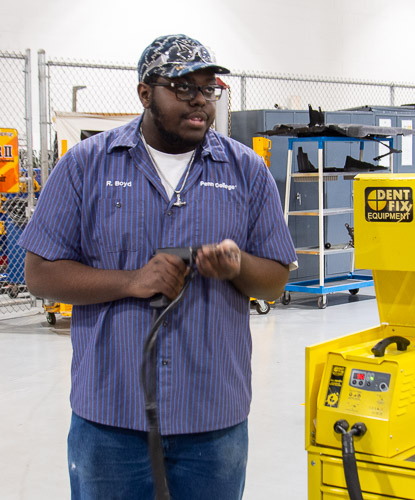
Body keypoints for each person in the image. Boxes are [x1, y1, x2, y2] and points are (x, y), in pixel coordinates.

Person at [19, 34, 297, 500]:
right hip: (111, 416)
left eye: (209, 89)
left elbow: (275, 281)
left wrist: (237, 265)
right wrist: (131, 281)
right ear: (145, 93)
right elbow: (40, 272)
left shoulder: (246, 171)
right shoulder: (86, 165)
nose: (200, 101)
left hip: (212, 418)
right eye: (183, 87)